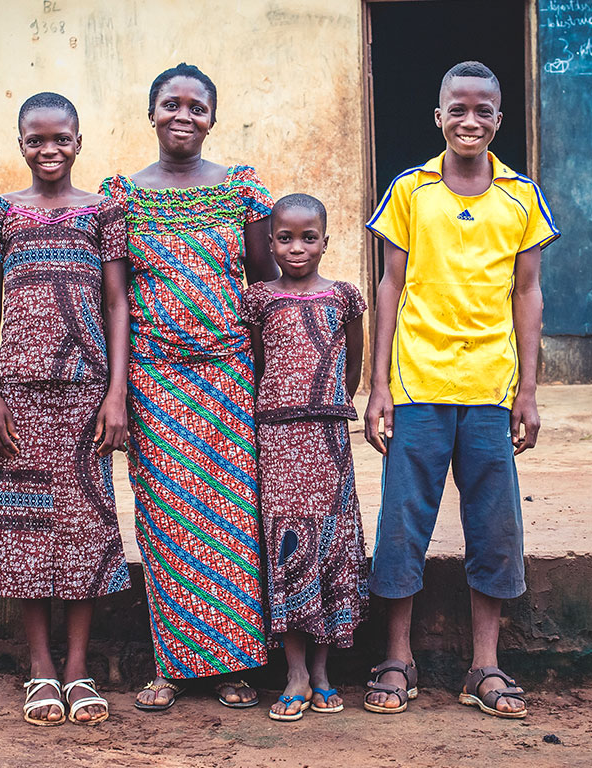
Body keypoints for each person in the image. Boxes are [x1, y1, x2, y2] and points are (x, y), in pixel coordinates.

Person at [361, 61, 559, 719]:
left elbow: (527, 292)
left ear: (499, 121)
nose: (469, 121)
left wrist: (528, 390)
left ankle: (485, 666)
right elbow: (389, 287)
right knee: (401, 524)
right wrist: (378, 383)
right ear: (438, 117)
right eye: (457, 110)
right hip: (418, 386)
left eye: (483, 111)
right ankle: (397, 657)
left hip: (490, 390)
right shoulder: (410, 192)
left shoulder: (521, 197)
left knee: (495, 527)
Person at [100, 63, 279, 711]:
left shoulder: (243, 192)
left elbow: (263, 291)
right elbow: (113, 299)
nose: (183, 115)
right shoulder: (120, 197)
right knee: (167, 522)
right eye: (170, 104)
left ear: (212, 117)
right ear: (151, 113)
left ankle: (235, 666)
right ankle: (171, 667)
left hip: (230, 380)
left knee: (232, 519)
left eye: (196, 106)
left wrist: (269, 386)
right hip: (155, 381)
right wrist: (116, 393)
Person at [0, 92, 130, 727]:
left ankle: (76, 666)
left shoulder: (103, 212)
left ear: (79, 142)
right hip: (18, 393)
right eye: (36, 141)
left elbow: (118, 302)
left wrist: (116, 391)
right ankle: (40, 666)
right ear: (20, 145)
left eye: (61, 139)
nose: (49, 151)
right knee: (24, 530)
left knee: (86, 525)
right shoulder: (1, 213)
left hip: (85, 390)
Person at [242, 193, 368, 722]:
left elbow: (355, 359)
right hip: (277, 440)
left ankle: (321, 671)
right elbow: (252, 363)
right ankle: (294, 672)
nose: (297, 248)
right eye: (286, 238)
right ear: (269, 243)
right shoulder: (258, 300)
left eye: (308, 237)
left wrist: (335, 403)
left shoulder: (344, 296)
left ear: (326, 241)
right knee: (289, 546)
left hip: (329, 439)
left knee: (331, 543)